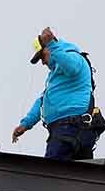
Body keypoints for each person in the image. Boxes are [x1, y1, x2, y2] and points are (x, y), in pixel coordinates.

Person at [11, 28, 100, 160]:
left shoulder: (74, 58)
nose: (43, 62)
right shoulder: (57, 75)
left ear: (50, 49)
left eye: (42, 56)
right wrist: (26, 124)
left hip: (69, 128)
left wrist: (52, 45)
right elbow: (42, 101)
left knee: (51, 174)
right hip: (69, 129)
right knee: (75, 177)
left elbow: (72, 67)